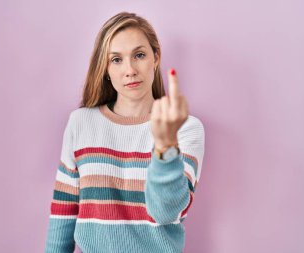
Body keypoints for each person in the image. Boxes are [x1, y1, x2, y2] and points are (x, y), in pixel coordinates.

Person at [44, 11, 205, 253]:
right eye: (116, 59)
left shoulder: (186, 129)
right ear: (105, 68)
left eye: (139, 55)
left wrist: (165, 146)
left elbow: (165, 212)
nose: (130, 69)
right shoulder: (81, 123)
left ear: (156, 57)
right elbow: (63, 213)